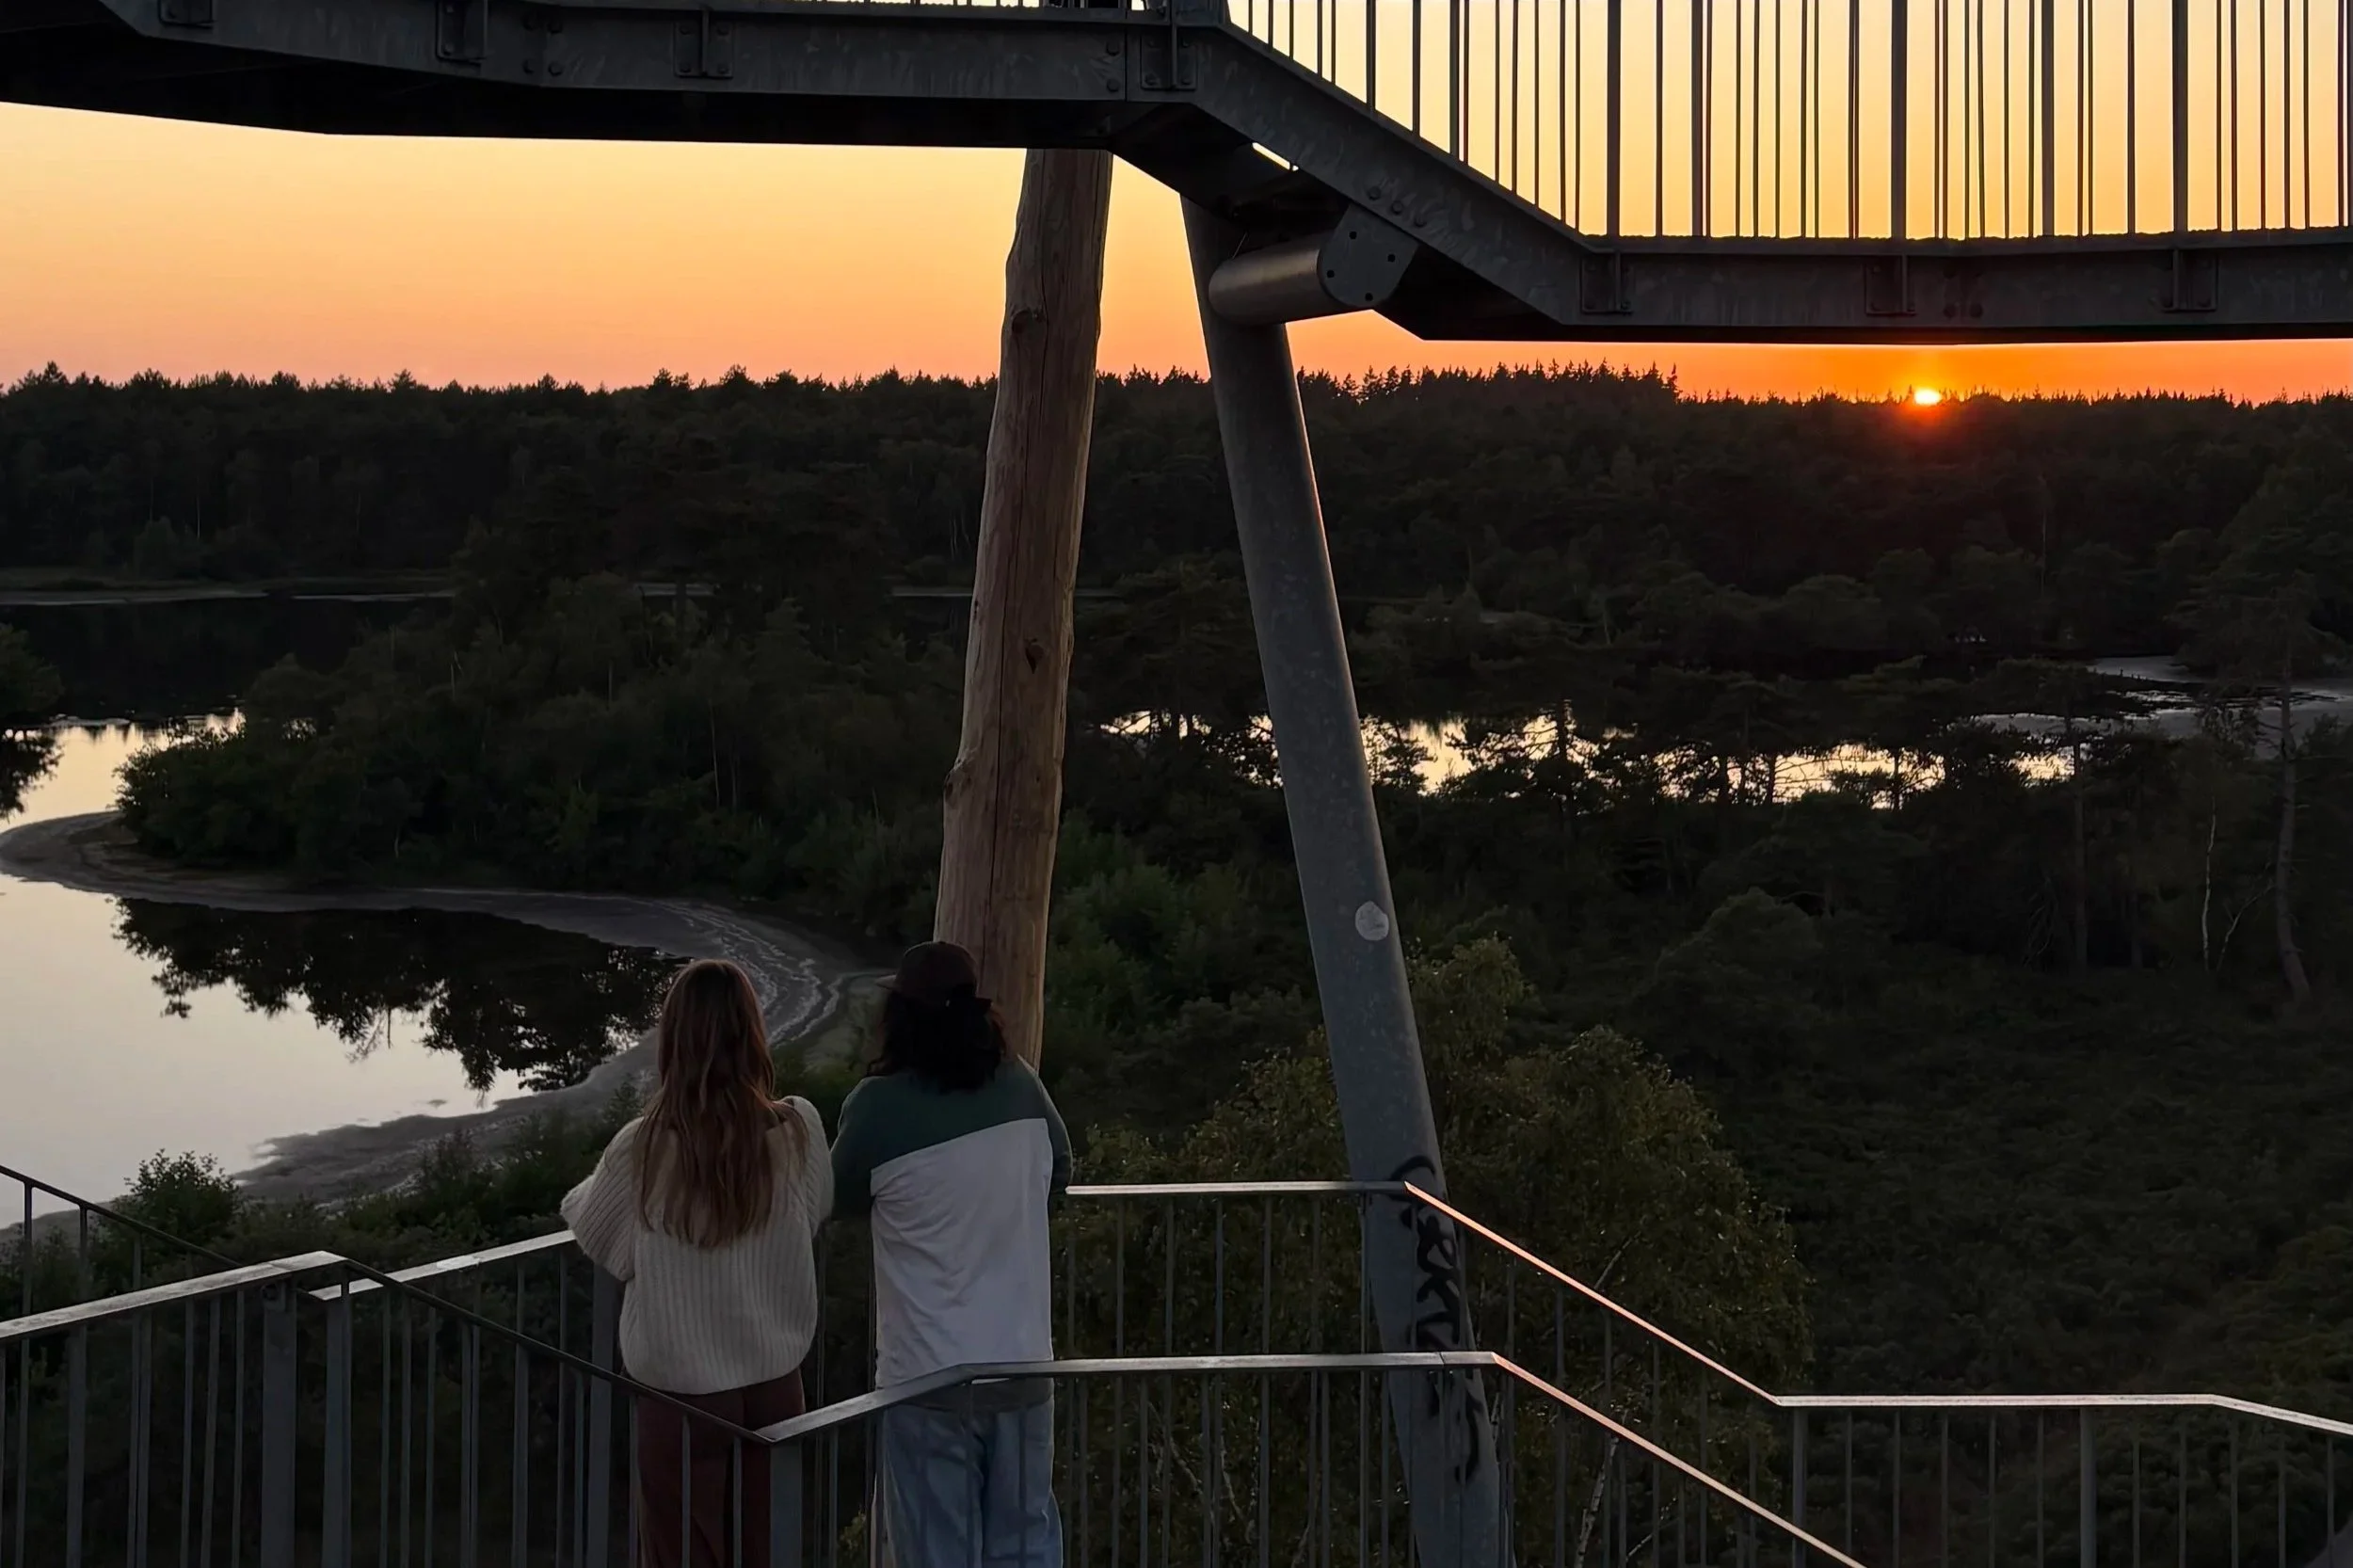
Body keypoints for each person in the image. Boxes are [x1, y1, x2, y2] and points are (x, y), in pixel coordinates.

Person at [562, 958, 831, 1568]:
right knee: (768, 1549)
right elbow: (815, 1212)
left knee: (682, 1555)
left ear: (674, 1041)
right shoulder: (799, 1130)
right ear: (752, 1034)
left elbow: (597, 1231)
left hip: (682, 1400)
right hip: (776, 1386)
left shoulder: (644, 1146)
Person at [831, 940, 1072, 1568]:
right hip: (1023, 1366)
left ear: (900, 1018)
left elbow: (837, 1197)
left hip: (930, 1376)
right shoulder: (1022, 1086)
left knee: (939, 1552)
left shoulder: (877, 1108)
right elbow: (1059, 1174)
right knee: (1027, 1547)